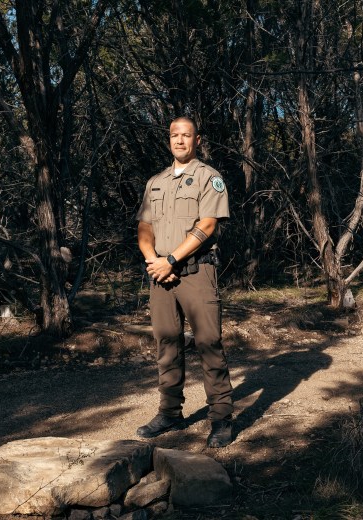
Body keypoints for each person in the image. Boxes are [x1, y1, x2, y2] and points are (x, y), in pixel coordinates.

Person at [135, 116, 234, 448]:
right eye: (174, 135)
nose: (180, 140)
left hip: (196, 270)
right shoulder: (155, 182)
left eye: (186, 135)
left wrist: (172, 259)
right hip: (160, 274)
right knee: (167, 345)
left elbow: (208, 226)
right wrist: (154, 261)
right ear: (169, 140)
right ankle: (170, 412)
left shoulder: (209, 178)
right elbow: (144, 228)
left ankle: (221, 417)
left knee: (208, 342)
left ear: (197, 140)